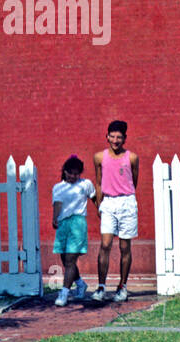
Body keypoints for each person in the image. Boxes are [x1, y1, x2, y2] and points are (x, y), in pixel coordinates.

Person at [92, 119, 138, 302]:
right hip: (108, 202)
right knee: (105, 244)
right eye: (112, 136)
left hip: (126, 202)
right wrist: (99, 204)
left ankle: (122, 286)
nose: (115, 140)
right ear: (107, 136)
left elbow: (133, 181)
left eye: (119, 137)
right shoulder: (99, 157)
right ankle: (101, 287)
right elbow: (98, 181)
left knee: (125, 246)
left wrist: (126, 197)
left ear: (124, 138)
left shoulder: (132, 157)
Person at [51, 154, 95, 306]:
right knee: (64, 259)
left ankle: (64, 293)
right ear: (65, 171)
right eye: (70, 173)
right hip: (63, 224)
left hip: (78, 223)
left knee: (70, 260)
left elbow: (95, 198)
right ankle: (80, 284)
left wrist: (102, 211)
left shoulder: (85, 184)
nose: (73, 176)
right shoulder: (58, 187)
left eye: (76, 174)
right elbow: (57, 204)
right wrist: (54, 218)